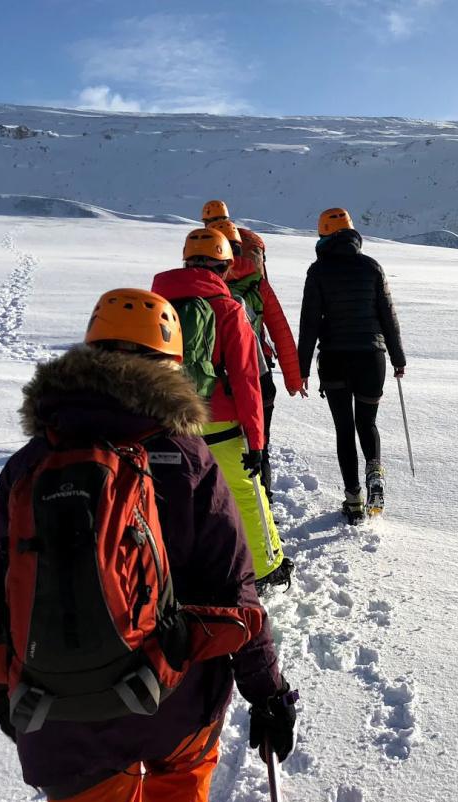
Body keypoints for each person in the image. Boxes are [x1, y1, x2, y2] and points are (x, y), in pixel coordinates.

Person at [0, 289, 297, 802]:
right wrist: (267, 692)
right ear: (173, 368)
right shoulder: (190, 458)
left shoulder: (32, 462)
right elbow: (237, 597)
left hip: (58, 706)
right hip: (175, 697)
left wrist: (4, 686)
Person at [151, 229, 293, 591]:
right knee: (247, 494)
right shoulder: (229, 308)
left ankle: (175, 576)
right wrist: (257, 444)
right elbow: (248, 380)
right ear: (225, 265)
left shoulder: (155, 306)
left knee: (176, 501)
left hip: (170, 424)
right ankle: (265, 568)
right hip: (222, 423)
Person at [298, 207, 406, 521]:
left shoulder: (318, 272)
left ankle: (354, 500)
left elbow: (309, 324)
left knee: (344, 429)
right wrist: (398, 359)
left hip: (334, 359)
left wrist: (301, 369)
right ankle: (375, 471)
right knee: (367, 423)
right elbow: (389, 318)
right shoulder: (372, 267)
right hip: (372, 359)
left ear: (324, 236)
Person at [220, 224, 306, 501]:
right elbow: (280, 331)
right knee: (260, 445)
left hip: (217, 382)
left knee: (220, 446)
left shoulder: (209, 282)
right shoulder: (259, 285)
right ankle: (263, 505)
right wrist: (293, 379)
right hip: (258, 375)